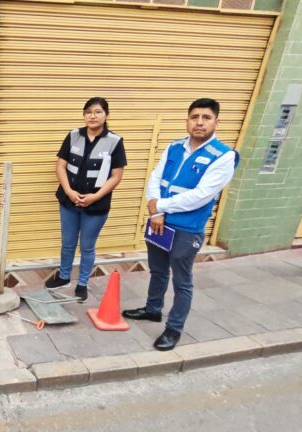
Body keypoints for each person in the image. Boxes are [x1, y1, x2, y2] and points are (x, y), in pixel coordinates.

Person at [123, 98, 238, 351]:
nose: (199, 122)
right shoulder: (174, 147)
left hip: (187, 229)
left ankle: (173, 329)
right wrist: (155, 212)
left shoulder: (224, 156)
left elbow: (201, 195)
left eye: (206, 117)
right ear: (187, 120)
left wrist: (160, 207)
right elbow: (155, 178)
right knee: (158, 270)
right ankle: (153, 309)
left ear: (216, 122)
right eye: (194, 116)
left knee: (181, 281)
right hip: (159, 222)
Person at [45, 97, 127, 303]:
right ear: (84, 115)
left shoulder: (115, 142)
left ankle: (82, 283)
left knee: (88, 246)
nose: (92, 116)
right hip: (69, 201)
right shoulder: (73, 136)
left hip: (96, 204)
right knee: (68, 243)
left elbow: (116, 176)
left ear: (106, 115)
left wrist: (95, 197)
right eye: (88, 111)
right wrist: (69, 191)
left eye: (98, 112)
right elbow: (60, 166)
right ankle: (64, 277)